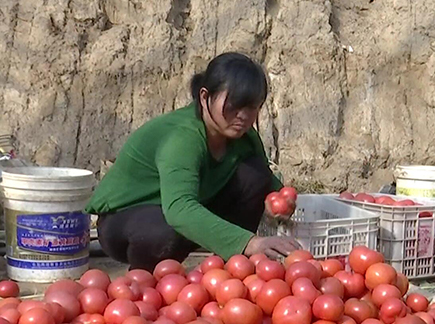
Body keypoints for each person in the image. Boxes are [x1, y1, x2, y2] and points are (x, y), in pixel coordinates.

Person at [86, 52, 300, 272]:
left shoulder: (243, 136)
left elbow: (267, 182)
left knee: (254, 174)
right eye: (234, 105)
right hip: (126, 221)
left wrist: (281, 201)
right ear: (205, 96)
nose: (243, 116)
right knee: (165, 232)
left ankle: (230, 270)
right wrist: (251, 243)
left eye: (252, 107)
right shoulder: (182, 138)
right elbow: (180, 208)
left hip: (180, 209)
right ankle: (145, 278)